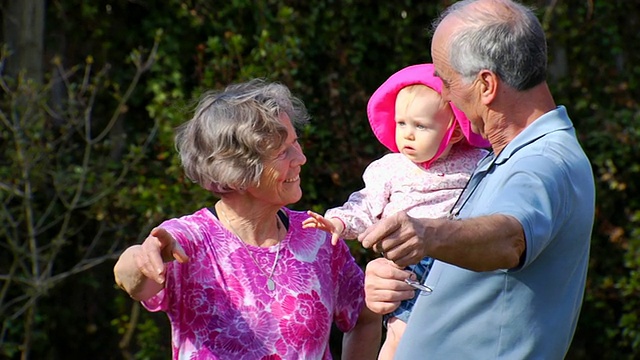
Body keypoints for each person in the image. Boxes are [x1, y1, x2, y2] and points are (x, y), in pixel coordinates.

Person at [359, 0, 596, 359]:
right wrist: (396, 277)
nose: (445, 95)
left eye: (447, 81)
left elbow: (509, 238)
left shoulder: (543, 161)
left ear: (486, 85)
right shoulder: (507, 156)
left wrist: (426, 234)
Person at [113, 79, 381, 360]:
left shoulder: (317, 236)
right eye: (282, 152)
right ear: (237, 173)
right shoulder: (189, 240)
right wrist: (140, 259)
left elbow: (365, 316)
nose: (300, 157)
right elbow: (133, 280)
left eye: (295, 142)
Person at [303, 63, 490, 360]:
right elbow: (365, 204)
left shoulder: (477, 163)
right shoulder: (390, 168)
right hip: (409, 261)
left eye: (421, 126)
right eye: (401, 123)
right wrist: (338, 220)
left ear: (453, 132)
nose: (408, 135)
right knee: (401, 332)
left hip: (457, 257)